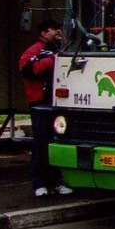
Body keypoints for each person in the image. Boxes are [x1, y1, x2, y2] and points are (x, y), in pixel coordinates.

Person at [19, 18, 72, 197]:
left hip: (59, 104)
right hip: (40, 104)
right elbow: (28, 71)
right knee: (41, 144)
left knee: (57, 143)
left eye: (60, 29)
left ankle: (56, 182)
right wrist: (53, 60)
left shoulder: (61, 49)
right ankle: (39, 184)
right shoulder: (34, 51)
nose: (59, 32)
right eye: (55, 29)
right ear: (44, 32)